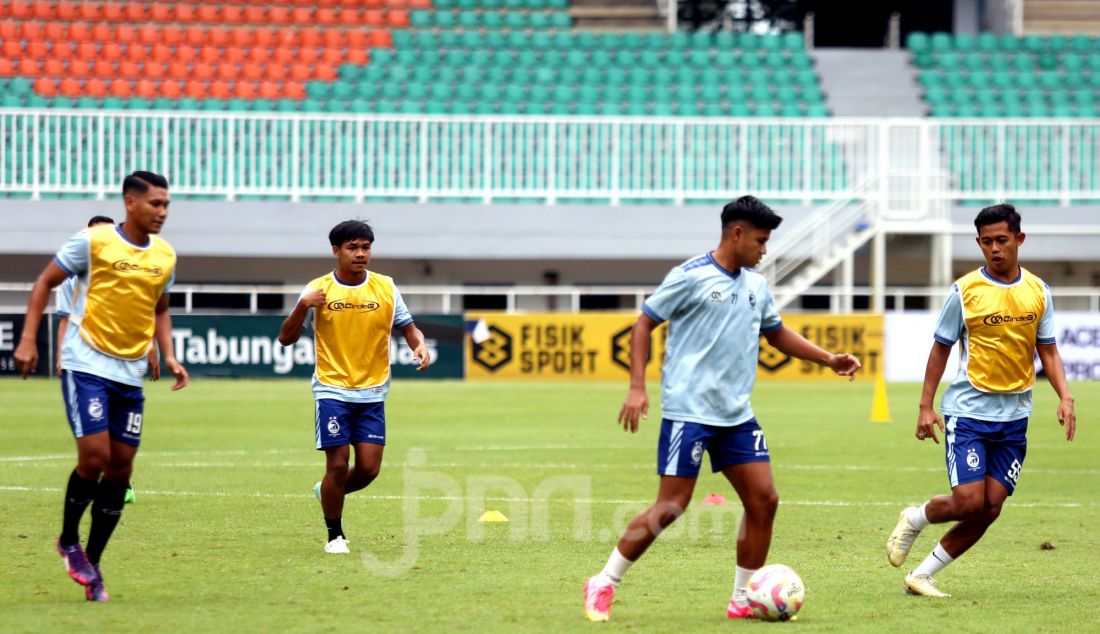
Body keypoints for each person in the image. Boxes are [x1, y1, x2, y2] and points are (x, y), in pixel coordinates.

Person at [583, 196, 863, 622]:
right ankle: (605, 580)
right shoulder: (689, 276)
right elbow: (644, 323)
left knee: (764, 499)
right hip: (688, 411)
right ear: (737, 233)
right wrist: (637, 387)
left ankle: (741, 599)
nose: (765, 250)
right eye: (761, 241)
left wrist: (828, 359)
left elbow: (776, 333)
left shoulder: (756, 285)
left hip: (735, 414)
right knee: (671, 505)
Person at [14, 171, 189, 602]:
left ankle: (91, 564)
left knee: (122, 468)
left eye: (166, 205)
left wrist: (167, 354)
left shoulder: (164, 255)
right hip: (85, 361)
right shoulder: (93, 242)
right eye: (155, 204)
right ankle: (69, 540)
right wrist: (26, 339)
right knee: (95, 455)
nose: (162, 212)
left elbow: (161, 309)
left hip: (129, 373)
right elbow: (44, 284)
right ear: (131, 203)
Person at [885, 203, 1076, 598]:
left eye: (1002, 240)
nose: (995, 249)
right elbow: (940, 348)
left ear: (1019, 239)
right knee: (970, 502)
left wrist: (1066, 397)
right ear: (979, 243)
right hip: (969, 412)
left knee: (990, 508)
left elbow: (1049, 351)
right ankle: (917, 517)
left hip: (1015, 416)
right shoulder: (965, 291)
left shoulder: (1038, 291)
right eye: (986, 242)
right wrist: (925, 406)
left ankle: (922, 575)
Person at [278, 220, 430, 555]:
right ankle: (335, 535)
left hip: (374, 391)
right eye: (352, 247)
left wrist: (418, 345)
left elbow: (408, 327)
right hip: (332, 389)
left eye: (366, 247)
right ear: (336, 251)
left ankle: (328, 491)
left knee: (368, 470)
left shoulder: (386, 287)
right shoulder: (319, 289)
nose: (361, 254)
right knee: (337, 464)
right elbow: (285, 339)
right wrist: (303, 305)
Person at [54, 215, 152, 506]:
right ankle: (109, 483)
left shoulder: (127, 272)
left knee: (114, 428)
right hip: (84, 363)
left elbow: (141, 314)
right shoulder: (73, 279)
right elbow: (64, 320)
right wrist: (61, 355)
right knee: (93, 433)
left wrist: (154, 348)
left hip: (118, 362)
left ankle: (120, 482)